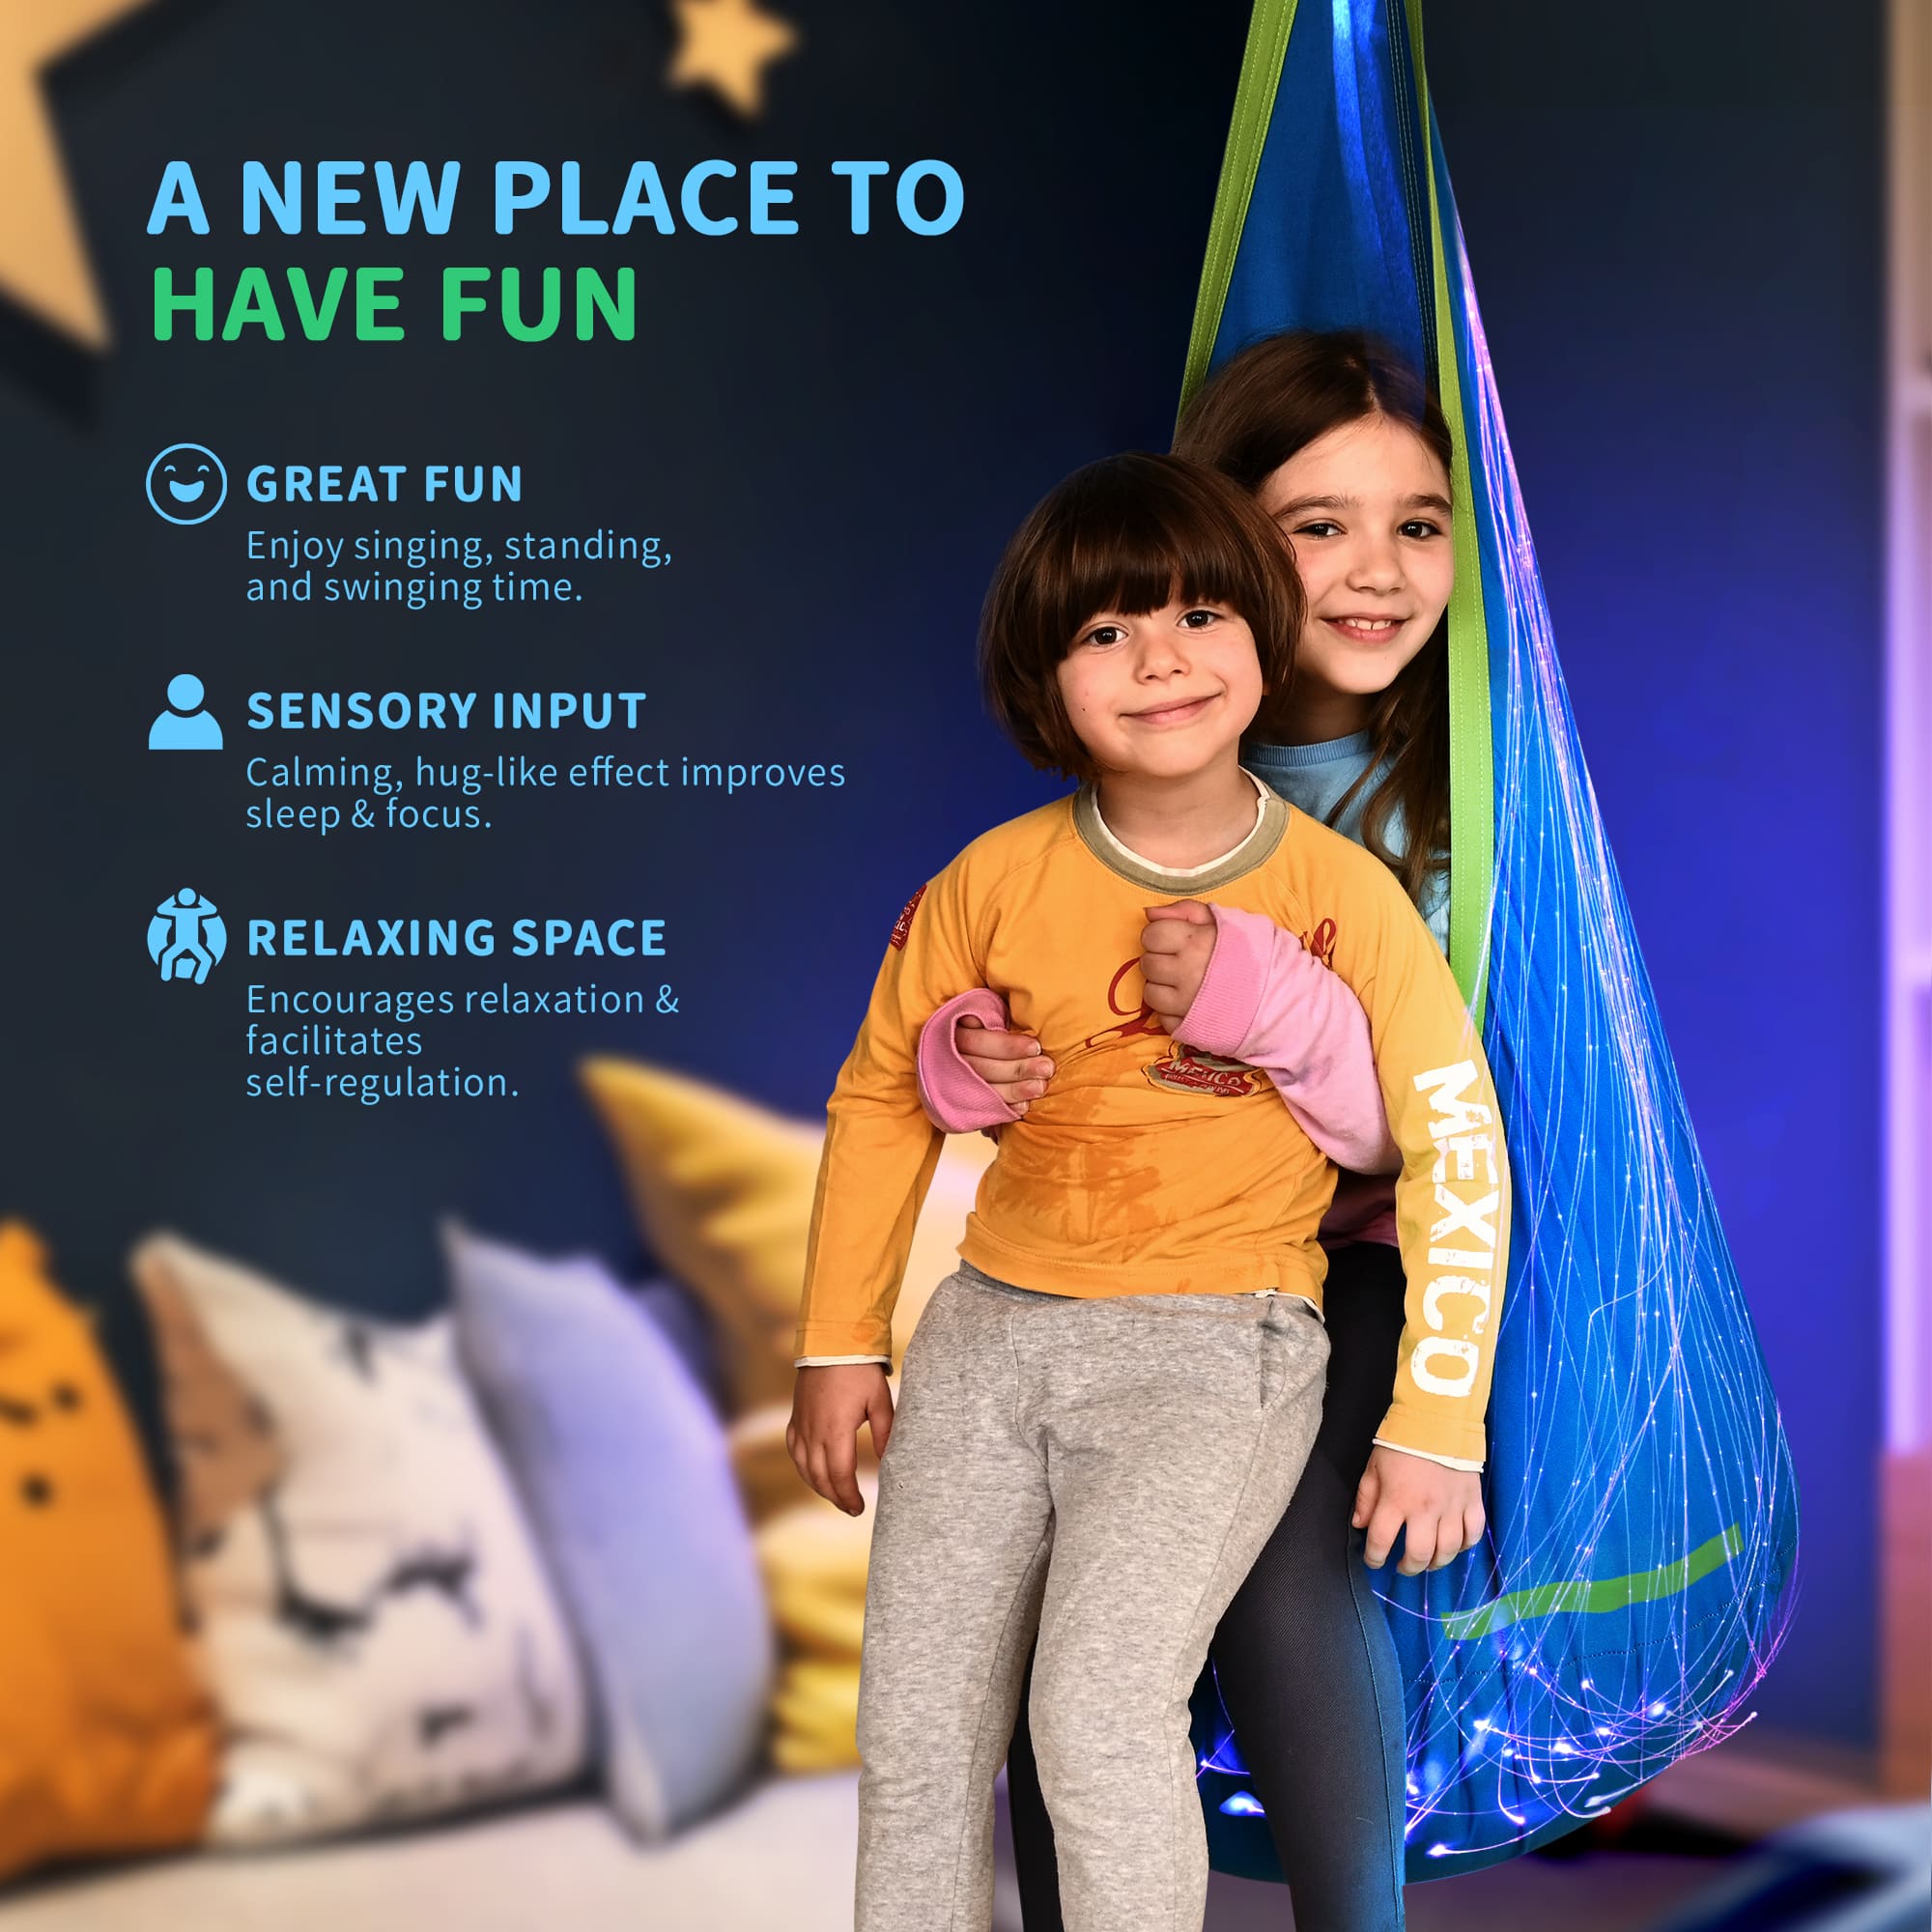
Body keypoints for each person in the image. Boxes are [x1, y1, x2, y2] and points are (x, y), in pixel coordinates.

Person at [787, 444, 1507, 1932]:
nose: (1159, 659)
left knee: (1099, 1720)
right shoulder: (989, 880)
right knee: (915, 1743)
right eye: (1104, 632)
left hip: (1214, 1349)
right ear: (1046, 686)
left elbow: (1451, 1145)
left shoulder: (1340, 894)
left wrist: (1437, 1418)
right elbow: (876, 1094)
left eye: (1197, 616)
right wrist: (840, 1343)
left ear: (1260, 630)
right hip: (991, 1338)